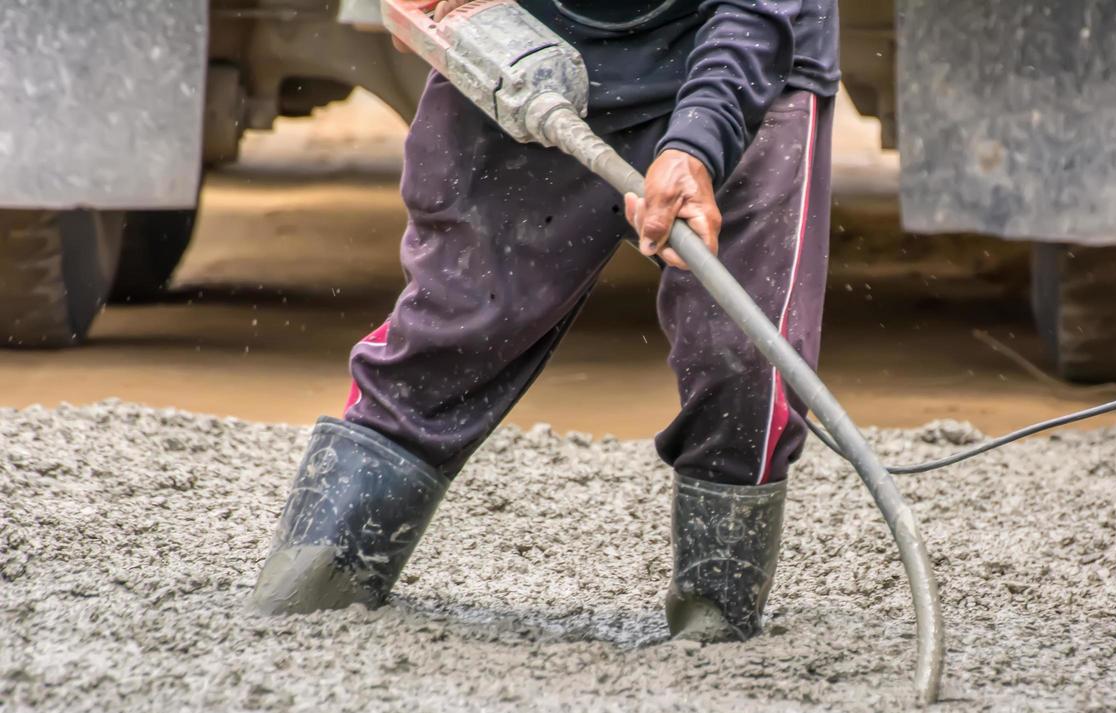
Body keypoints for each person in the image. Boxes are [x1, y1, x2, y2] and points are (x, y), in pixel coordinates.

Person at [251, 0, 840, 642]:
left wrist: (698, 139)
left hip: (740, 56)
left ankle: (715, 627)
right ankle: (311, 580)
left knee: (742, 364)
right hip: (526, 39)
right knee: (448, 331)